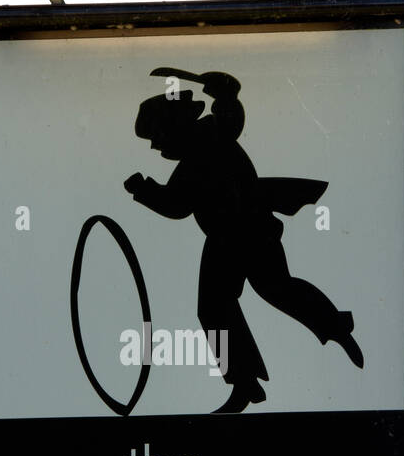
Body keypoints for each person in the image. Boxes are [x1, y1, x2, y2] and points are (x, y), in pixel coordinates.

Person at [125, 67, 363, 414]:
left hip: (248, 232)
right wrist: (145, 190)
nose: (156, 146)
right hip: (225, 240)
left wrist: (226, 93)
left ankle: (331, 327)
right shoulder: (197, 154)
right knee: (222, 305)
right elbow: (177, 203)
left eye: (156, 137)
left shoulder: (212, 137)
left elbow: (178, 202)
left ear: (172, 126)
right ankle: (245, 382)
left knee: (272, 289)